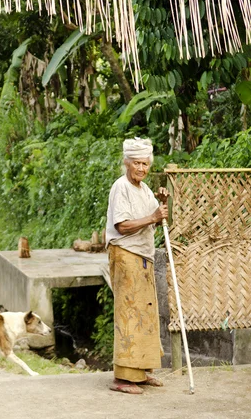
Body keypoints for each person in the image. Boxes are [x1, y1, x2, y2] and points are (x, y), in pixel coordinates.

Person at [106, 137, 169, 394]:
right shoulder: (120, 187)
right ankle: (123, 378)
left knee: (145, 315)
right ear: (126, 163)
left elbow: (161, 220)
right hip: (125, 255)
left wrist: (164, 203)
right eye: (136, 164)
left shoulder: (144, 191)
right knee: (129, 314)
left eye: (145, 164)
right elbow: (122, 225)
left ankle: (141, 372)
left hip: (143, 257)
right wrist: (152, 216)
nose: (141, 168)